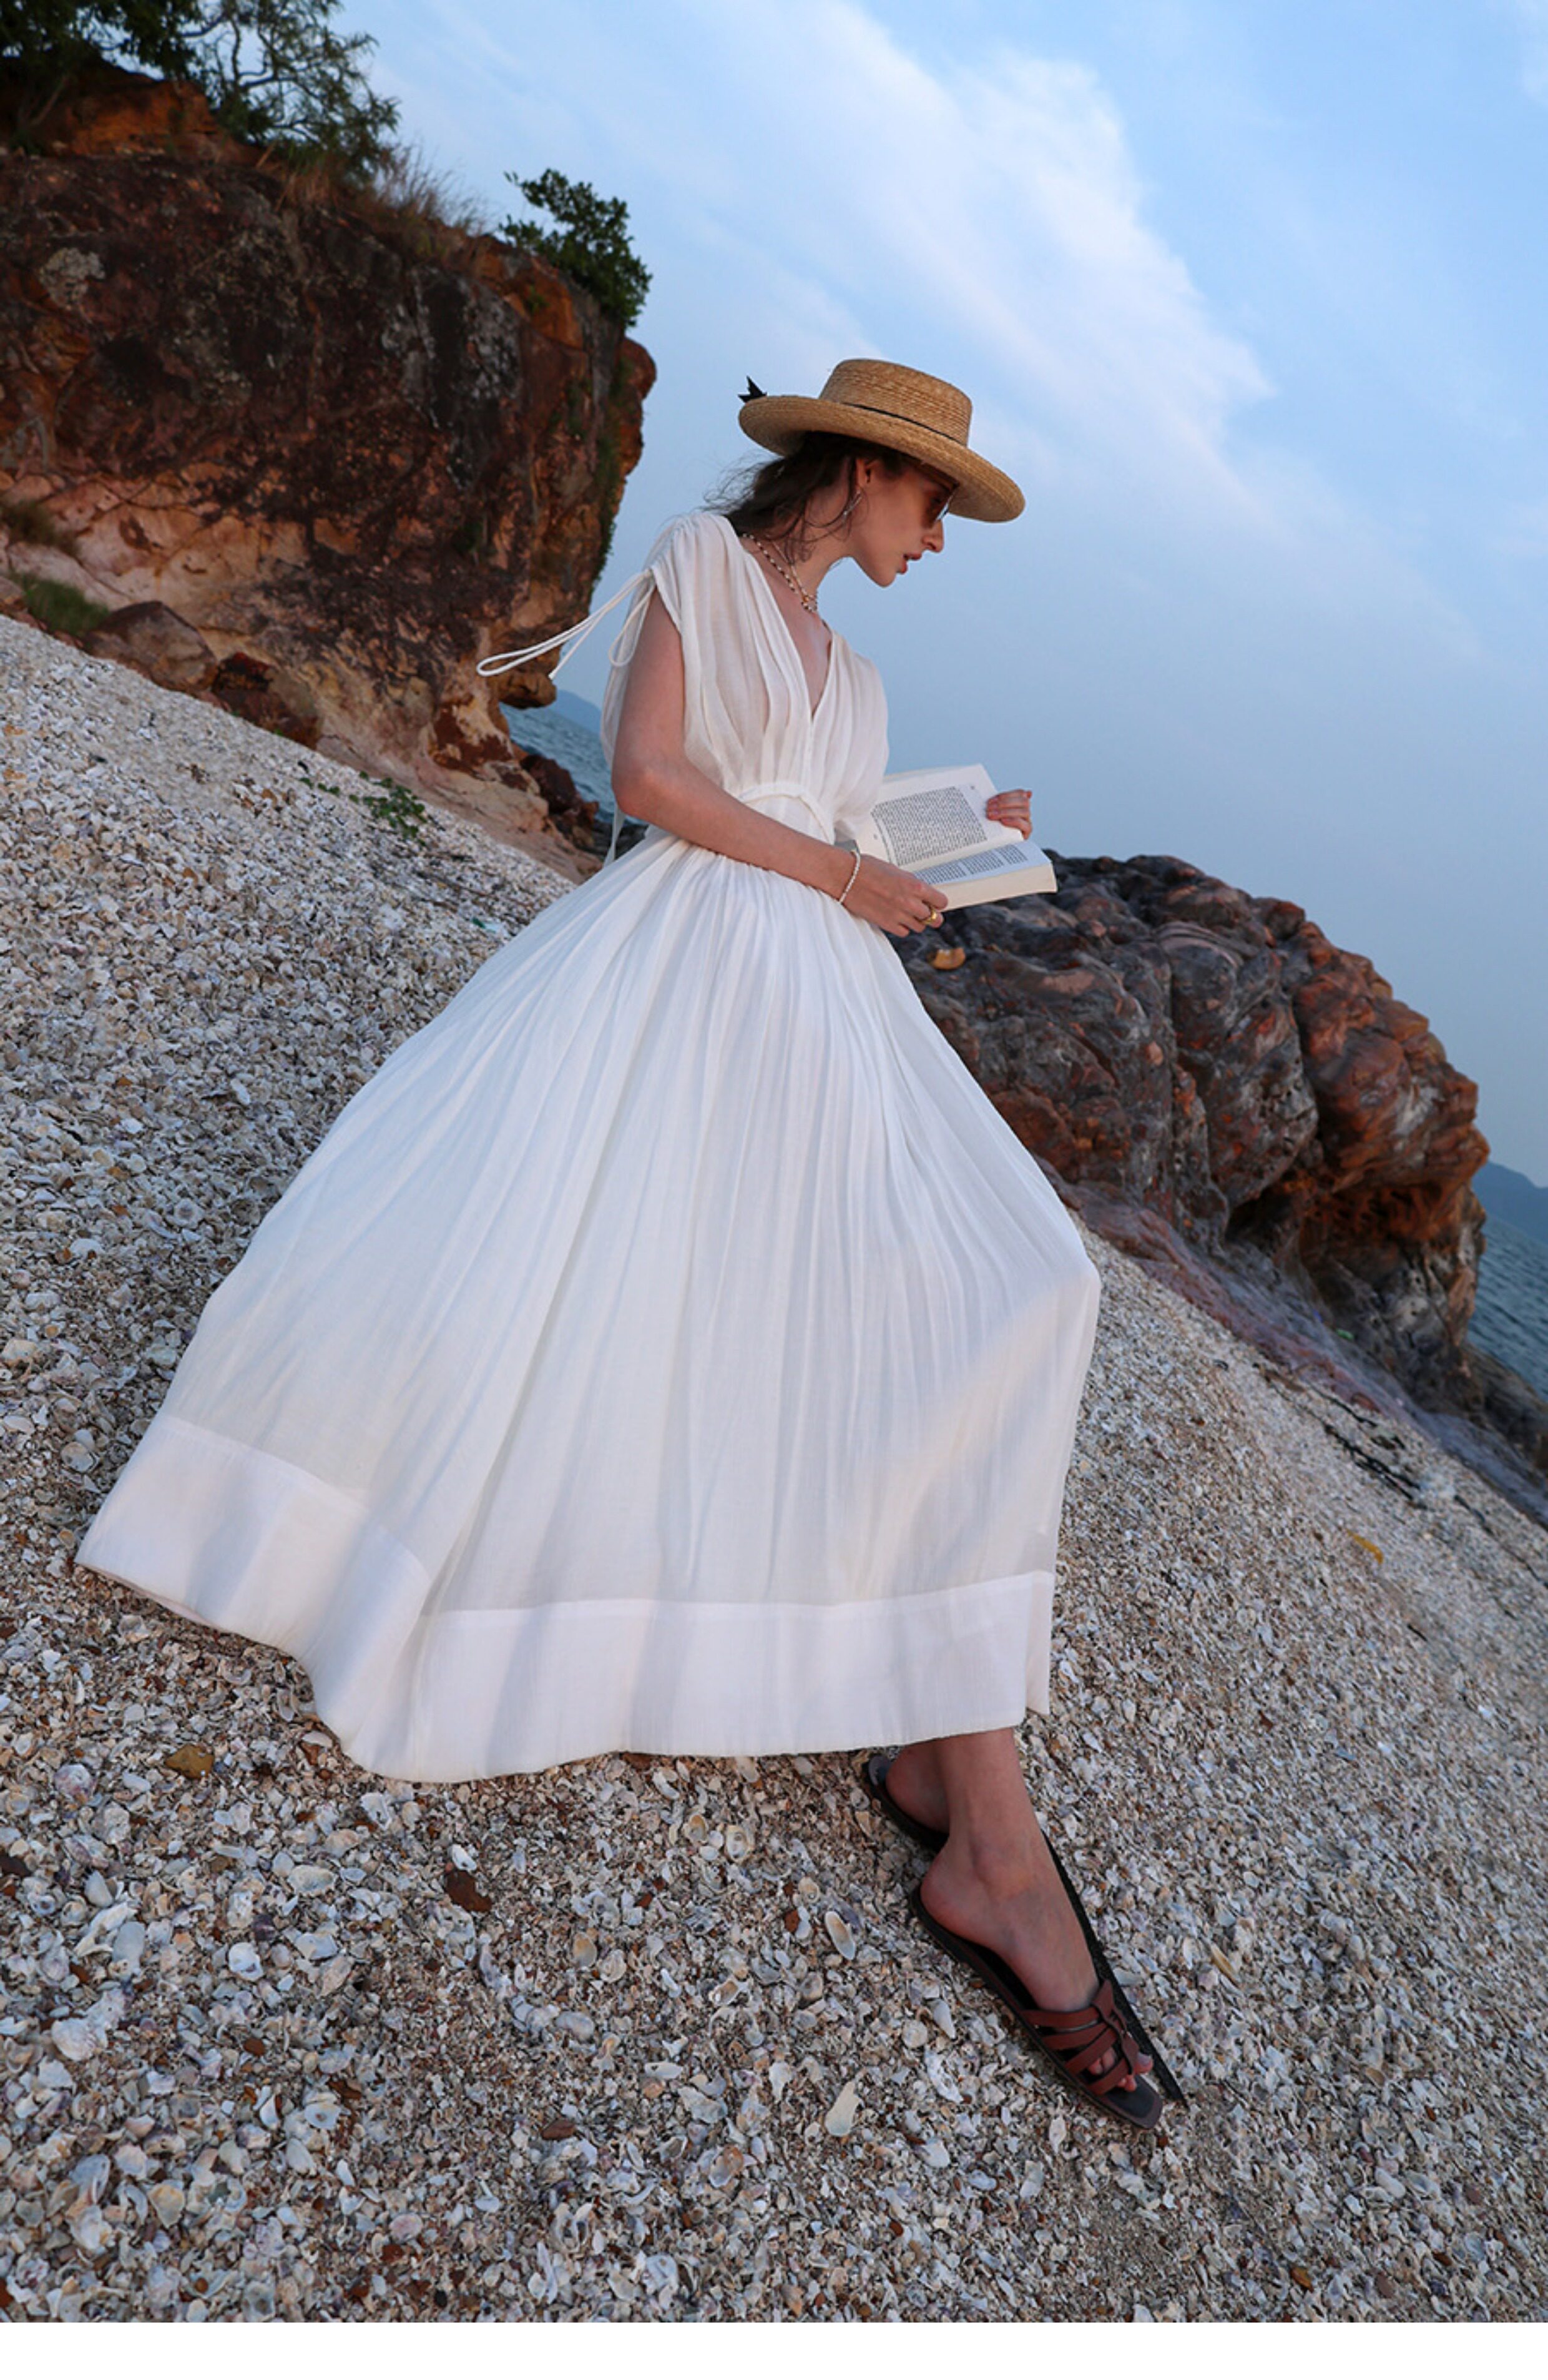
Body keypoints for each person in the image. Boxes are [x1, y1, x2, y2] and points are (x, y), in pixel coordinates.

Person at [75, 358, 1177, 2128]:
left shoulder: (859, 672)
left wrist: (953, 843)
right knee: (668, 1295)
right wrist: (843, 875)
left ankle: (957, 1763)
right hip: (687, 973)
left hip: (821, 997)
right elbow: (655, 780)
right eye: (932, 501)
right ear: (862, 472)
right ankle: (970, 1803)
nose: (938, 537)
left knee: (1018, 1285)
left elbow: (833, 833)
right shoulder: (699, 564)